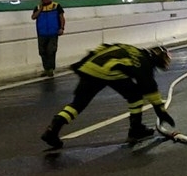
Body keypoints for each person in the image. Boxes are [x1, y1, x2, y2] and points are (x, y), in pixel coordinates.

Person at [40, 43, 176, 149]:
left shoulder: (132, 49)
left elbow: (102, 47)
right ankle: (136, 129)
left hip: (89, 68)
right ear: (157, 58)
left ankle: (53, 129)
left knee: (78, 104)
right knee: (135, 95)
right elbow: (150, 88)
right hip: (108, 72)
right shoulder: (144, 63)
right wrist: (160, 111)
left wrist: (82, 64)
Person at [31, 0, 65, 77]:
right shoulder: (38, 7)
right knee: (42, 52)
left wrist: (61, 28)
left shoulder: (56, 6)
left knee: (51, 51)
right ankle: (46, 69)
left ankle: (50, 69)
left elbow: (61, 17)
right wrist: (40, 9)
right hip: (42, 33)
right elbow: (33, 17)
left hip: (53, 33)